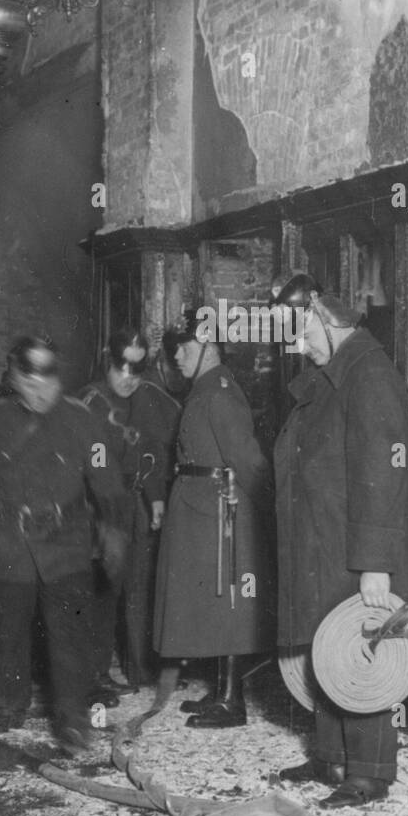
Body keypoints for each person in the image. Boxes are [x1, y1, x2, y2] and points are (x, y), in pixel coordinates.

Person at [270, 274, 408, 807]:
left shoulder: (370, 375)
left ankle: (370, 772)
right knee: (328, 636)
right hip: (333, 529)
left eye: (299, 330)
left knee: (366, 642)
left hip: (369, 536)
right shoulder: (334, 372)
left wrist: (376, 564)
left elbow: (383, 471)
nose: (296, 343)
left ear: (325, 319)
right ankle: (332, 757)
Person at [0, 336, 129, 756]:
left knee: (69, 634)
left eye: (49, 381)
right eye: (31, 382)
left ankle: (73, 718)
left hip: (66, 542)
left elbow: (106, 477)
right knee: (9, 629)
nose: (41, 391)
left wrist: (113, 529)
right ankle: (10, 702)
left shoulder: (80, 419)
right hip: (8, 541)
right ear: (16, 380)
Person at [153, 310, 274, 727]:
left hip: (222, 511)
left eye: (182, 349)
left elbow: (248, 460)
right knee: (213, 602)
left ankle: (231, 700)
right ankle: (220, 691)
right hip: (203, 509)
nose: (177, 359)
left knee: (229, 604)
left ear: (207, 346)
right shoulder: (204, 390)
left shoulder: (220, 392)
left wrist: (266, 513)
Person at [78, 327, 181, 689]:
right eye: (122, 367)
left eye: (136, 370)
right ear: (108, 360)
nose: (127, 378)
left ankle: (140, 668)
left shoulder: (146, 397)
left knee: (139, 584)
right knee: (104, 589)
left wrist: (155, 496)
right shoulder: (90, 402)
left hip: (135, 501)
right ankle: (95, 674)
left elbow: (151, 449)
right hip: (102, 505)